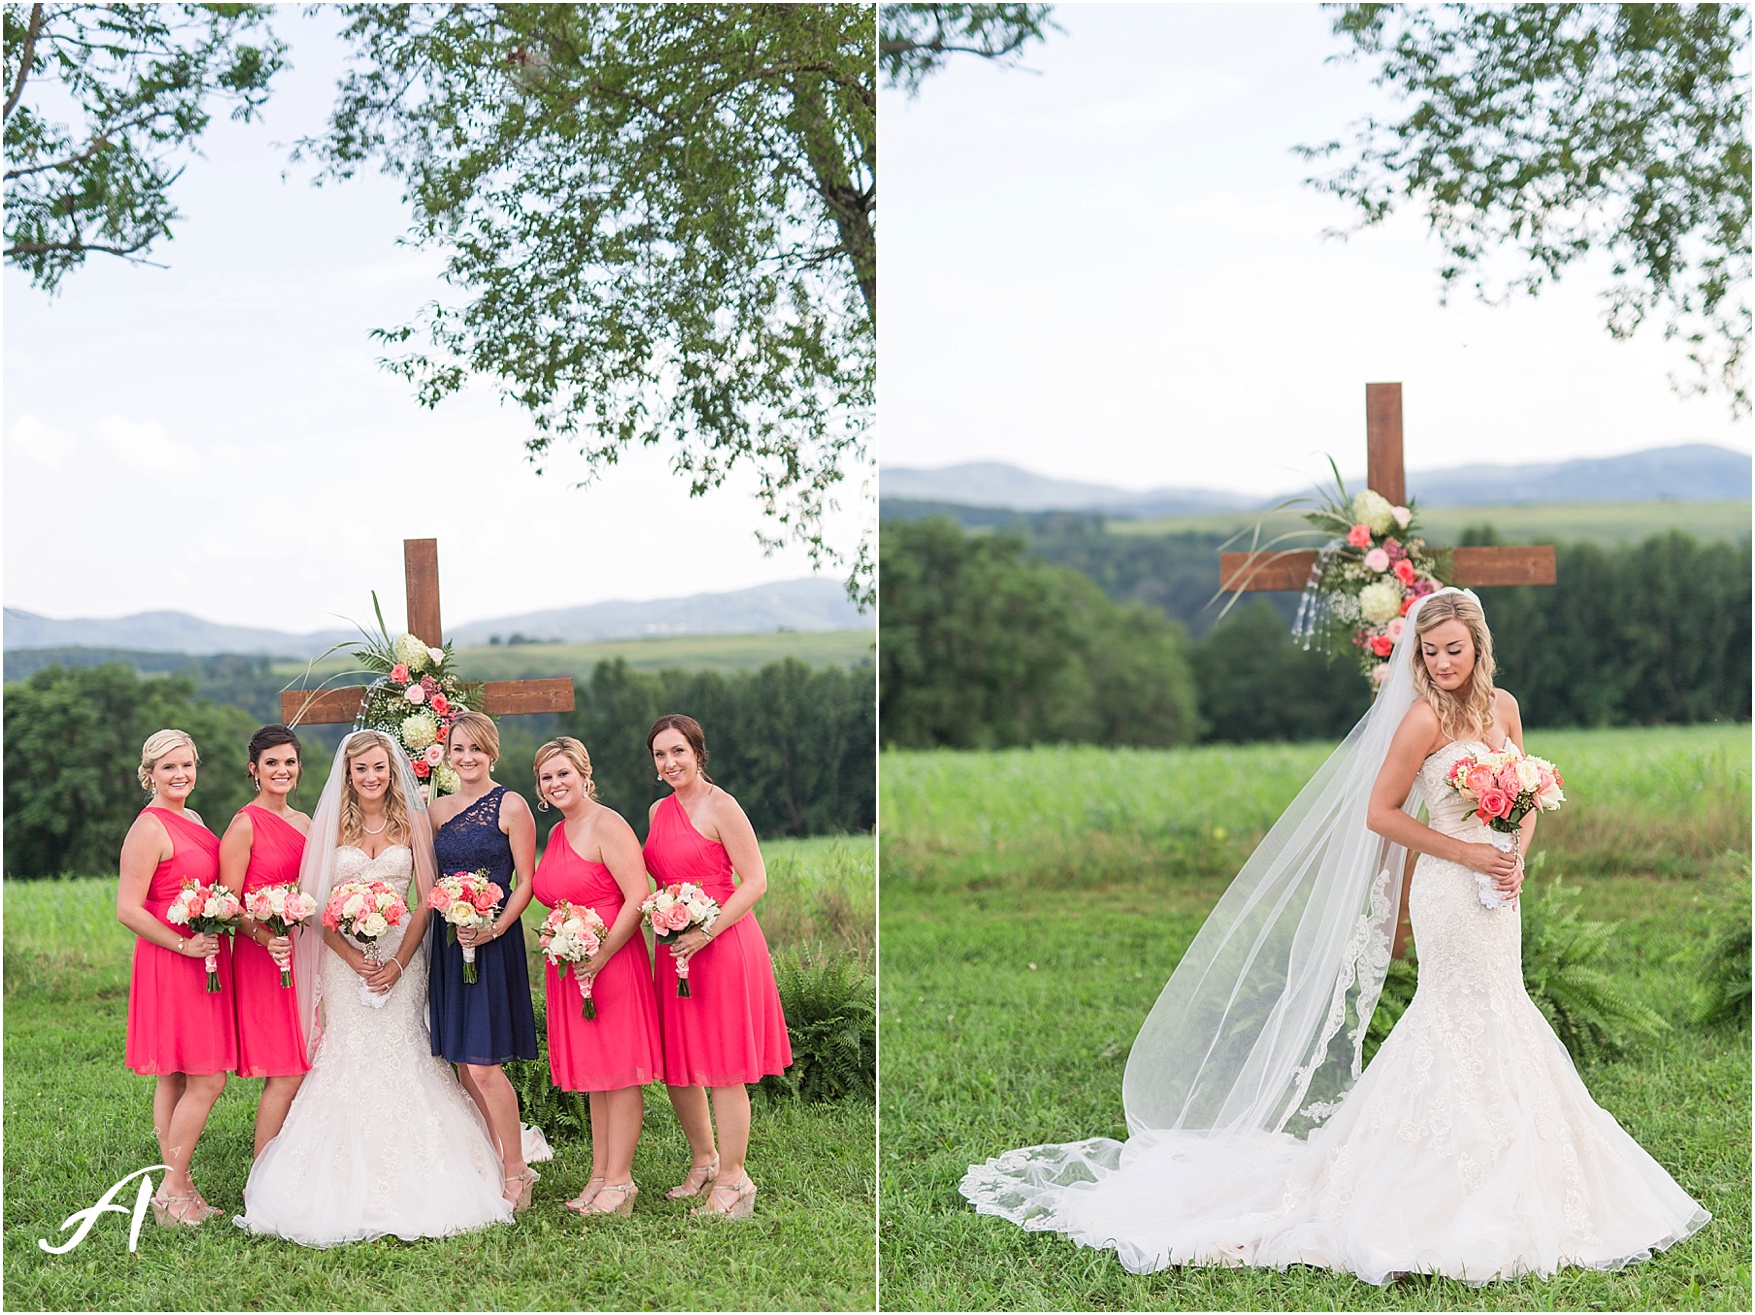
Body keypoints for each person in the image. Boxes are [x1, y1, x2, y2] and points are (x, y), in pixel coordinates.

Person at [961, 589, 1709, 1283]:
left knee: (1503, 1006)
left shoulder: (1504, 709)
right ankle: (1417, 1172)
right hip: (1449, 887)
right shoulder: (1422, 719)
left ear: (1478, 646)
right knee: (1451, 1012)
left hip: (1497, 890)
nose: (1442, 663)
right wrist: (1467, 853)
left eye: (1454, 649)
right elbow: (1380, 813)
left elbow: (1527, 792)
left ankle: (1524, 1163)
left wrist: (1513, 852)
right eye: (1430, 652)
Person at [235, 730, 513, 1246]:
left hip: (402, 956)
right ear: (348, 773)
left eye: (379, 768)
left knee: (406, 1050)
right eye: (361, 769)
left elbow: (429, 898)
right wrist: (353, 959)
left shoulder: (414, 823)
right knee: (346, 1054)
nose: (370, 777)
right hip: (344, 965)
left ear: (392, 770)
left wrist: (400, 963)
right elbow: (314, 906)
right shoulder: (328, 827)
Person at [643, 714, 792, 1219]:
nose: (670, 763)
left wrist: (706, 930)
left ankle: (734, 1181)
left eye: (678, 751)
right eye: (660, 755)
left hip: (723, 944)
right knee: (680, 1065)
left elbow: (755, 881)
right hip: (675, 949)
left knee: (725, 1066)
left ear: (697, 753)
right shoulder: (656, 811)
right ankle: (704, 1162)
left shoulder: (722, 806)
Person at [531, 737, 663, 1217]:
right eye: (546, 777)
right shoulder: (558, 833)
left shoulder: (608, 824)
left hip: (612, 963)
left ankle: (622, 1183)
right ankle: (600, 1175)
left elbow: (637, 896)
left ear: (585, 775)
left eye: (563, 773)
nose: (556, 783)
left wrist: (602, 953)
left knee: (619, 1072)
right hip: (575, 965)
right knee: (595, 1076)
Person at [118, 729, 233, 1226]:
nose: (180, 774)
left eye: (187, 765)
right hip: (173, 959)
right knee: (207, 1079)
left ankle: (181, 1189)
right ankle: (169, 1190)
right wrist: (183, 944)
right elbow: (127, 908)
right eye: (168, 767)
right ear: (150, 774)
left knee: (178, 1073)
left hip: (202, 956)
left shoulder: (193, 818)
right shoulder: (148, 828)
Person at [426, 711, 540, 1210]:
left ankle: (517, 1172)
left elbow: (526, 883)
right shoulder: (436, 810)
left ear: (491, 751)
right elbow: (428, 882)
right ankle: (495, 1156)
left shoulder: (511, 805)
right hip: (449, 942)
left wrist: (492, 927)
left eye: (476, 748)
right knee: (464, 1066)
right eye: (458, 749)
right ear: (447, 755)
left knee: (486, 1065)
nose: (467, 757)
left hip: (494, 942)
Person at [218, 725, 312, 1158]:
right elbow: (228, 904)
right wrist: (264, 934)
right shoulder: (244, 825)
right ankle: (262, 1176)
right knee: (285, 1070)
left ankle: (295, 1160)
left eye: (289, 762)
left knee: (306, 1059)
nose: (281, 770)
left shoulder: (306, 823)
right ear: (253, 770)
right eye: (271, 763)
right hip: (263, 957)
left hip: (303, 952)